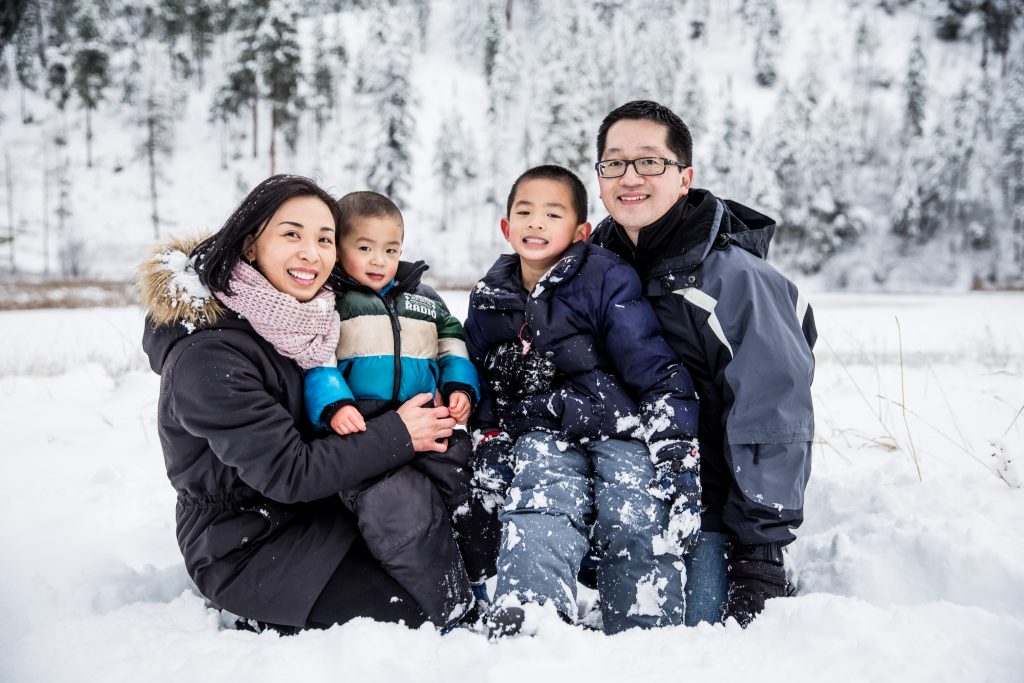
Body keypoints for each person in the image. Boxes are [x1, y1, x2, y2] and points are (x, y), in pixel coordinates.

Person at [139, 175, 469, 632]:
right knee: (413, 620)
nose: (311, 253)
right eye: (292, 234)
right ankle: (255, 614)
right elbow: (287, 473)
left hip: (324, 509)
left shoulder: (308, 320)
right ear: (251, 245)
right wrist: (400, 433)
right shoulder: (208, 356)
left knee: (457, 566)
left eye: (325, 239)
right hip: (247, 543)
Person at [589, 100, 817, 627]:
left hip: (707, 504)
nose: (630, 177)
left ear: (684, 176)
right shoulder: (590, 270)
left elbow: (774, 413)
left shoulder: (736, 281)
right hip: (615, 489)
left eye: (650, 161)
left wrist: (759, 551)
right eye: (614, 163)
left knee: (695, 635)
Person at [463, 164, 701, 636]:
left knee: (633, 507)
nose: (536, 223)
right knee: (540, 501)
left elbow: (651, 366)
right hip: (542, 428)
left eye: (553, 214)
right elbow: (477, 375)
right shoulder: (490, 296)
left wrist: (675, 449)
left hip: (619, 425)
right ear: (506, 227)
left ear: (580, 231)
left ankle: (643, 622)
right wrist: (487, 432)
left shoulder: (605, 277)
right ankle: (532, 615)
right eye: (524, 212)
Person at [302, 190, 487, 609]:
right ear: (338, 246)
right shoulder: (331, 303)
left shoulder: (424, 300)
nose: (378, 260)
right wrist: (334, 404)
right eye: (364, 248)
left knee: (464, 484)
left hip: (427, 418)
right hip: (362, 427)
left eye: (391, 250)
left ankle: (485, 579)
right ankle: (448, 602)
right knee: (400, 509)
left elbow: (451, 342)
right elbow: (317, 357)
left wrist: (460, 387)